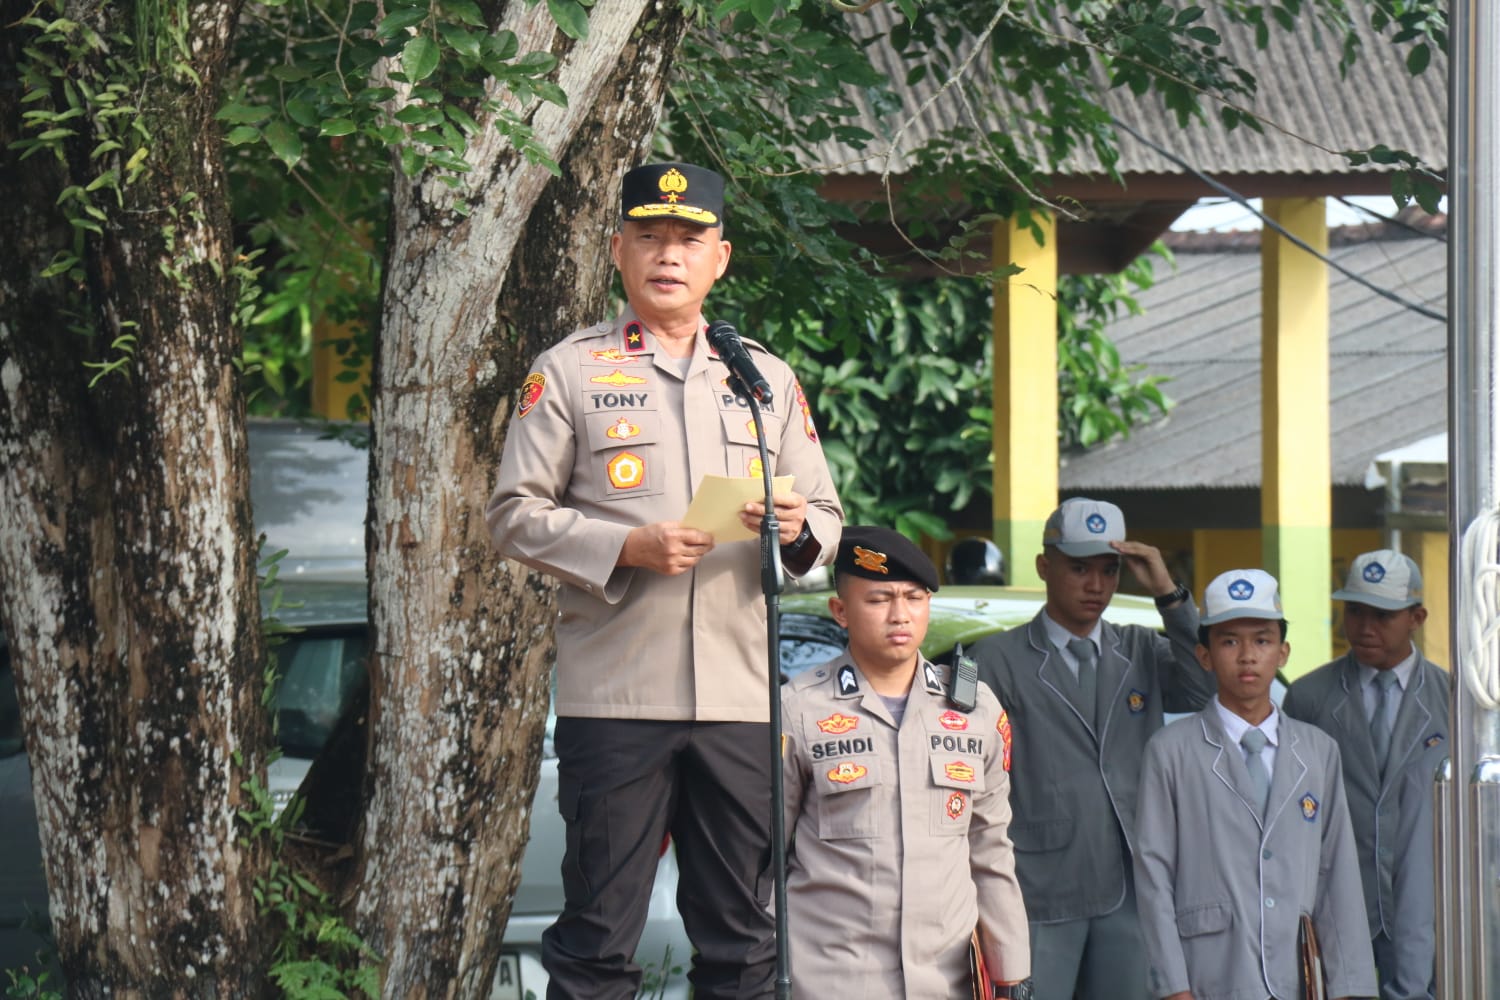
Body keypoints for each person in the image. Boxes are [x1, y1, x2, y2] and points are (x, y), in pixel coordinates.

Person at [486, 161, 844, 999]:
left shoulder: (762, 380)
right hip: (617, 698)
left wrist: (798, 528)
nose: (669, 255)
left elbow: (827, 518)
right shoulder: (570, 370)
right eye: (650, 237)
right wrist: (626, 547)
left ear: (721, 257)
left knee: (744, 941)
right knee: (597, 940)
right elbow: (513, 515)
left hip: (739, 701)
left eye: (689, 239)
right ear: (618, 250)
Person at [968, 497, 1214, 1000]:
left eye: (1109, 570)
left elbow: (1206, 688)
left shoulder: (1140, 648)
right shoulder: (993, 659)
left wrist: (1168, 594)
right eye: (1079, 568)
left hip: (1130, 885)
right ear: (1044, 566)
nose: (1096, 585)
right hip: (1035, 887)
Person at [781, 526, 1031, 998]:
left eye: (914, 598)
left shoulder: (975, 708)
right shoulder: (799, 709)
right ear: (840, 611)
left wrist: (1012, 973)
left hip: (947, 981)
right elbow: (762, 855)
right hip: (832, 980)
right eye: (879, 600)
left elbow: (991, 849)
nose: (900, 615)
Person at [1134, 569, 1377, 1000]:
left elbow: (1337, 873)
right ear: (1204, 655)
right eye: (1229, 642)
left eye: (1262, 641)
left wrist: (1349, 986)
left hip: (1295, 977)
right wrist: (1173, 987)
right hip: (1210, 975)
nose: (1247, 656)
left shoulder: (1318, 750)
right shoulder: (1170, 751)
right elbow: (1154, 877)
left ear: (1283, 653)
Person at [1282, 550, 1449, 1000]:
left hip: (1426, 909)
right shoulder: (1309, 697)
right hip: (1334, 902)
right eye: (1355, 611)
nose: (1364, 626)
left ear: (1417, 617)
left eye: (1383, 615)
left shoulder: (1453, 701)